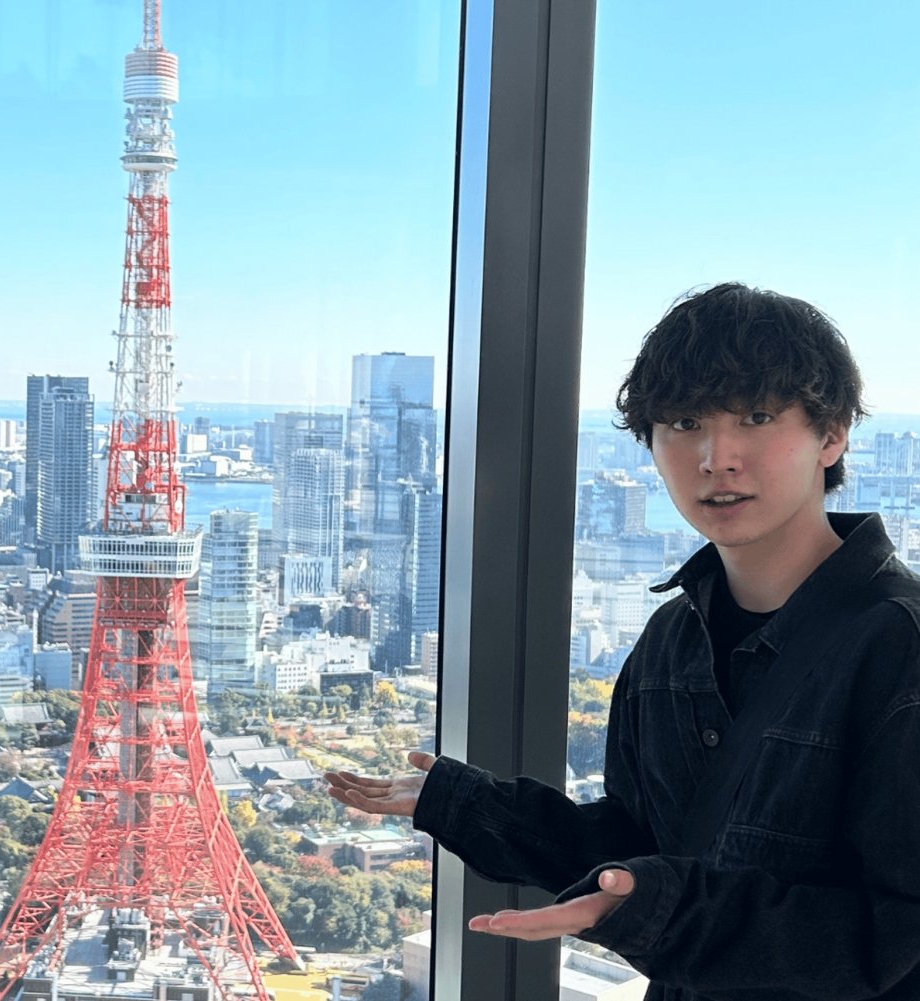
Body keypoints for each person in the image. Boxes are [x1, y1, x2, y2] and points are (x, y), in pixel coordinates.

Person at [327, 283, 920, 999]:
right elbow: (638, 848)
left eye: (757, 416)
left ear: (832, 434)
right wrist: (463, 802)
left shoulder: (899, 649)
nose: (716, 455)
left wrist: (664, 908)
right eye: (683, 420)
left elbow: (894, 932)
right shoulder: (671, 642)